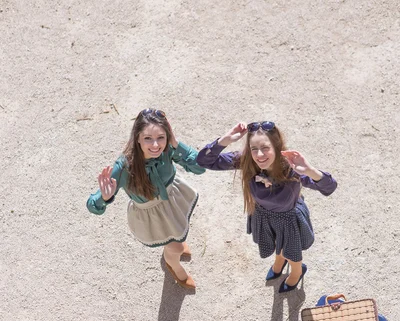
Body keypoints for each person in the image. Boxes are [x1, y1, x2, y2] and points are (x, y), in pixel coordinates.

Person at [197, 122, 337, 292]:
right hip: (263, 216)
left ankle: (297, 271)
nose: (259, 154)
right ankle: (279, 261)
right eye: (254, 148)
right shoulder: (246, 161)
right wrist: (225, 140)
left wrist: (309, 170)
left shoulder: (290, 168)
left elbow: (329, 188)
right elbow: (204, 161)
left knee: (291, 252)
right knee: (278, 245)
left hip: (288, 219)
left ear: (277, 147)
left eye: (265, 147)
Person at [86, 109, 205, 290]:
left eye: (161, 137)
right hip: (151, 214)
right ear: (138, 138)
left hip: (173, 199)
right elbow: (92, 204)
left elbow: (199, 167)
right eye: (148, 138)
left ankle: (174, 244)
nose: (156, 145)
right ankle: (173, 263)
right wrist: (104, 197)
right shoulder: (124, 166)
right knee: (176, 248)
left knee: (177, 233)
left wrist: (176, 144)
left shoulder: (168, 148)